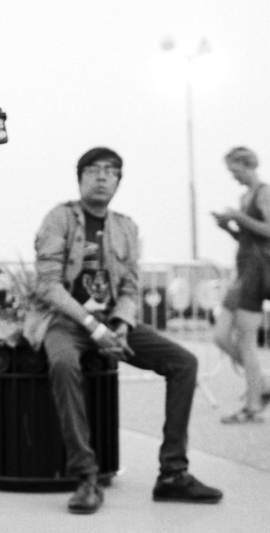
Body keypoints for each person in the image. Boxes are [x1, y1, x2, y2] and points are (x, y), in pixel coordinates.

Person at [35, 147, 223, 514]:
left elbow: (130, 286)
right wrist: (92, 327)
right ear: (80, 178)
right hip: (67, 323)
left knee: (184, 363)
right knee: (62, 364)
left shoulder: (126, 226)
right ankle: (87, 477)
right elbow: (48, 285)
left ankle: (173, 472)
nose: (103, 177)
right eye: (94, 170)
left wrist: (119, 325)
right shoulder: (60, 218)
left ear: (119, 181)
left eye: (112, 171)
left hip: (110, 322)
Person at [210, 146, 270, 424]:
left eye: (236, 171)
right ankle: (262, 386)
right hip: (243, 271)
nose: (234, 177)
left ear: (248, 165)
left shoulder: (266, 192)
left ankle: (253, 405)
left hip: (256, 273)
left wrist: (238, 218)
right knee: (220, 336)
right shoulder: (245, 196)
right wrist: (228, 227)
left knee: (246, 341)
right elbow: (248, 238)